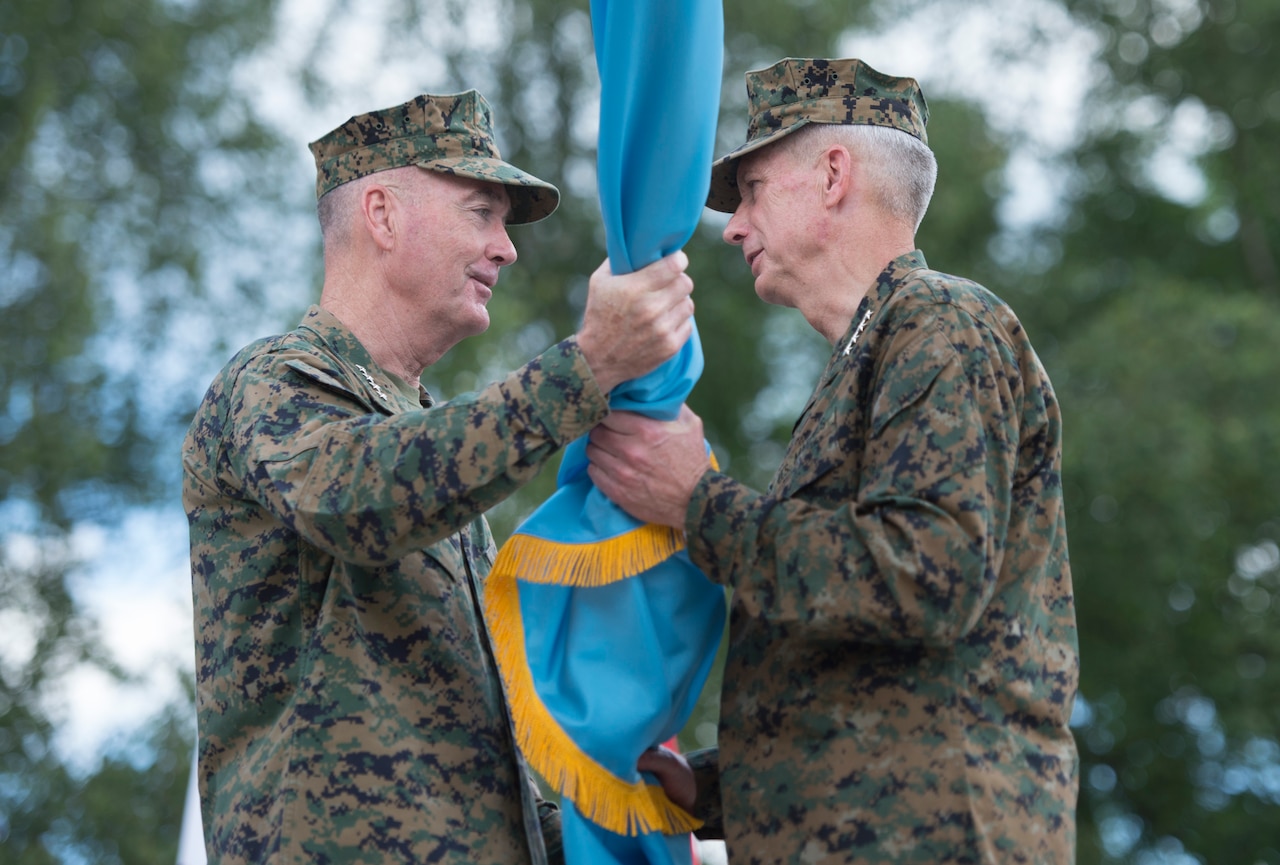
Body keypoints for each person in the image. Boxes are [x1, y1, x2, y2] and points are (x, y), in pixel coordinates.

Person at [182, 90, 698, 865]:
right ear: (382, 216)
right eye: (480, 212)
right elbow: (360, 499)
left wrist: (620, 832)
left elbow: (481, 781)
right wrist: (584, 368)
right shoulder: (272, 383)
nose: (506, 247)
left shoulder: (441, 455)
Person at [586, 57, 1080, 863]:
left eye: (749, 191)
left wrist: (698, 502)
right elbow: (855, 661)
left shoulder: (940, 324)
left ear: (833, 176)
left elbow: (928, 576)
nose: (734, 226)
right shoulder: (869, 357)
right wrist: (710, 787)